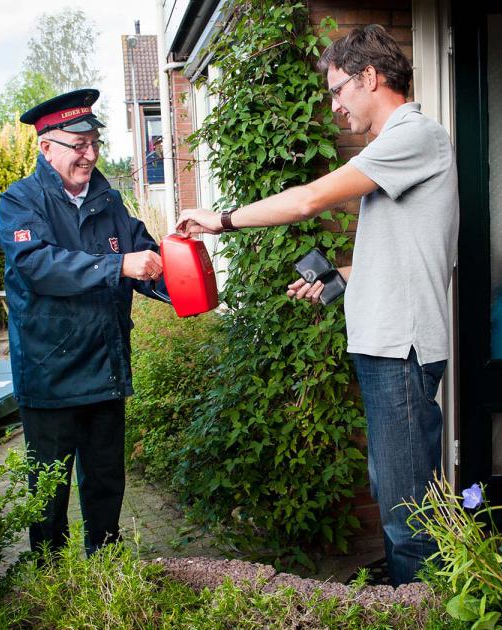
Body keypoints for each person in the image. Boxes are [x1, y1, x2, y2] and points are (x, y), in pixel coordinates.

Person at [177, 25, 459, 586]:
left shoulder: (415, 135)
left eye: (337, 91)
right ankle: (413, 591)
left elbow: (309, 199)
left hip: (400, 348)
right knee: (394, 490)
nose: (335, 107)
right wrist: (338, 277)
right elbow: (406, 257)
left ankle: (422, 606)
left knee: (410, 514)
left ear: (370, 78)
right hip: (385, 345)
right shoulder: (393, 149)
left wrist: (223, 220)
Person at [0, 88, 167, 555]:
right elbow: (39, 265)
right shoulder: (20, 202)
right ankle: (50, 588)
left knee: (106, 486)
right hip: (50, 375)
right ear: (46, 146)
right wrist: (119, 267)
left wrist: (180, 276)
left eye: (94, 142)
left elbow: (143, 252)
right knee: (48, 498)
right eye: (78, 145)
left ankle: (106, 574)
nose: (90, 154)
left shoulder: (108, 200)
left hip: (105, 368)